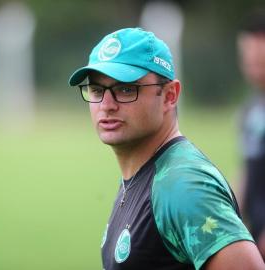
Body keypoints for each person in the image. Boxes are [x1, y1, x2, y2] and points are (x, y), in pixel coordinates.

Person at [68, 27, 265, 269]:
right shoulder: (148, 173)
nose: (106, 105)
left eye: (126, 89)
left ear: (170, 95)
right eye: (97, 90)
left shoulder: (183, 186)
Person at [237, 8, 265, 260]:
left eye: (257, 55)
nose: (250, 61)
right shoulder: (249, 111)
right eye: (246, 55)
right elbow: (247, 168)